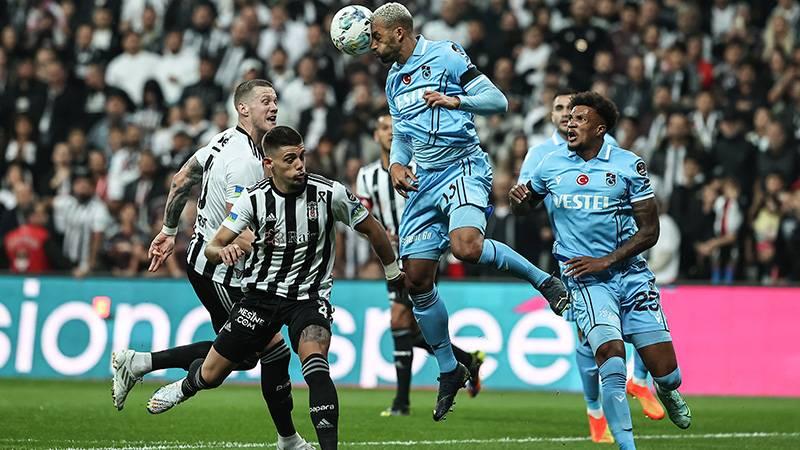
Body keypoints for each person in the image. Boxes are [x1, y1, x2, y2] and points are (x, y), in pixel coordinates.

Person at [369, 2, 568, 422]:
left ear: (399, 33)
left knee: (466, 247)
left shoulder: (445, 53)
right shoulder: (391, 80)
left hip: (462, 164)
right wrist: (396, 164)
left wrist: (454, 101)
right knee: (416, 279)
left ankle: (545, 282)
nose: (372, 45)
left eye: (377, 37)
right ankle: (449, 368)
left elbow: (497, 101)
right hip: (424, 178)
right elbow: (402, 133)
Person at [146, 126, 404, 450]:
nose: (300, 166)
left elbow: (372, 228)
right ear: (269, 165)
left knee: (315, 361)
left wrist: (393, 272)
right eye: (290, 159)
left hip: (308, 297)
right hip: (260, 297)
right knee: (211, 375)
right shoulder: (252, 199)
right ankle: (188, 386)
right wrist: (222, 251)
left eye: (302, 157)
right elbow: (214, 246)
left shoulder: (329, 194)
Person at [111, 80, 312, 450]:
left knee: (246, 354)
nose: (274, 107)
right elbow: (241, 227)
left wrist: (169, 230)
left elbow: (181, 179)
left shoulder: (223, 141)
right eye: (265, 101)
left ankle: (138, 363)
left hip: (210, 264)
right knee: (269, 352)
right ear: (243, 108)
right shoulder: (245, 164)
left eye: (276, 101)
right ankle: (289, 440)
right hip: (220, 271)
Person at [509, 92, 691, 450]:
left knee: (668, 373)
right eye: (568, 118)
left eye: (579, 119)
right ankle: (627, 446)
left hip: (632, 276)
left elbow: (649, 232)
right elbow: (526, 206)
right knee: (609, 354)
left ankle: (666, 390)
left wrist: (607, 260)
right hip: (585, 280)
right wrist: (518, 204)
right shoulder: (549, 164)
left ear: (600, 128)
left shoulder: (628, 165)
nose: (570, 123)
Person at [356, 114, 485, 417]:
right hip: (391, 258)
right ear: (376, 135)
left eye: (394, 127)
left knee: (400, 321)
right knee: (411, 331)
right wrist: (379, 234)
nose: (390, 133)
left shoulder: (422, 167)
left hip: (420, 252)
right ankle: (466, 360)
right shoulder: (367, 176)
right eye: (384, 128)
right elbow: (362, 217)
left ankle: (402, 402)